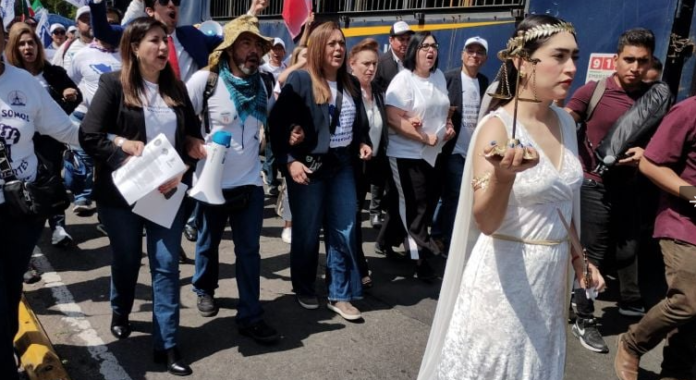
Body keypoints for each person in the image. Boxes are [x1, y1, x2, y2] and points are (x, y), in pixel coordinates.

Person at [418, 15, 605, 380]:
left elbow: (560, 202)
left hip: (549, 279)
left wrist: (580, 258)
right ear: (522, 62)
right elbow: (485, 221)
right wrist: (503, 178)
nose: (571, 68)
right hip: (502, 277)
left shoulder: (566, 122)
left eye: (575, 57)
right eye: (559, 56)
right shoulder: (496, 127)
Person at [79, 17, 202, 376]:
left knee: (166, 266)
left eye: (165, 40)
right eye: (154, 40)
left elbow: (191, 136)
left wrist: (191, 152)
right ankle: (121, 308)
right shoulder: (113, 85)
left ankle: (167, 344)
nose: (163, 47)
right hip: (123, 196)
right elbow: (90, 135)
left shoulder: (176, 89)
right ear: (134, 47)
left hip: (166, 193)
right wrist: (121, 146)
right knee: (127, 259)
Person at [184, 15, 279, 343]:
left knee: (249, 251)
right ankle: (204, 288)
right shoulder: (205, 81)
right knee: (208, 244)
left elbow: (272, 122)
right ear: (229, 49)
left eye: (257, 45)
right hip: (212, 184)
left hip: (250, 184)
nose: (253, 51)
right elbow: (180, 120)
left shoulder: (265, 84)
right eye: (246, 43)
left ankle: (250, 315)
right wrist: (192, 142)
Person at [269, 22, 372, 320]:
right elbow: (276, 124)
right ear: (317, 48)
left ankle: (339, 294)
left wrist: (362, 143)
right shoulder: (301, 80)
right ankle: (304, 285)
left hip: (342, 164)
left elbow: (359, 124)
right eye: (332, 44)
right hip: (309, 165)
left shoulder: (350, 83)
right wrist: (290, 159)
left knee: (345, 227)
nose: (339, 49)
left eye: (341, 43)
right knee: (307, 230)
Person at [565, 28, 656, 353]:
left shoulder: (653, 97)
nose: (634, 67)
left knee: (628, 252)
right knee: (594, 254)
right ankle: (584, 317)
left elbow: (661, 141)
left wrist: (648, 153)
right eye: (628, 59)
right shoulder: (595, 90)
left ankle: (571, 291)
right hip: (593, 184)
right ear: (616, 60)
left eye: (641, 61)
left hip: (629, 189)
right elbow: (564, 120)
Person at [0, 14, 81, 380]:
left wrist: (117, 144)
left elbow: (65, 130)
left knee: (8, 287)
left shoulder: (24, 84)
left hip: (20, 210)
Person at [614, 96, 696, 380]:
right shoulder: (689, 110)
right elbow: (650, 163)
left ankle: (676, 371)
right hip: (684, 223)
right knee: (688, 300)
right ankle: (633, 342)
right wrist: (693, 195)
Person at [375, 31, 455, 279]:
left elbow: (444, 109)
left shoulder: (439, 77)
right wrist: (422, 137)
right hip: (406, 153)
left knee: (423, 204)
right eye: (425, 46)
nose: (431, 51)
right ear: (414, 51)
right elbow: (392, 118)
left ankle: (385, 240)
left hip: (434, 153)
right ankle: (424, 258)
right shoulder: (403, 80)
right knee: (415, 207)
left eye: (434, 46)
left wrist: (449, 124)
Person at [4, 22, 82, 247]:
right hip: (19, 143)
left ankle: (58, 226)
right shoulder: (9, 76)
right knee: (21, 187)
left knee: (51, 181)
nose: (28, 48)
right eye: (21, 44)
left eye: (31, 43)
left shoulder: (53, 72)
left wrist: (70, 96)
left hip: (48, 141)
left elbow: (63, 110)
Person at [436, 36, 489, 253]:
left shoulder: (485, 83)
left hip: (474, 151)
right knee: (454, 194)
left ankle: (443, 234)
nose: (474, 55)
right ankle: (445, 239)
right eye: (470, 50)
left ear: (484, 58)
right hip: (452, 150)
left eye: (479, 52)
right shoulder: (448, 79)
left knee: (463, 196)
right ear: (462, 54)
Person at [349, 38, 389, 289]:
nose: (370, 68)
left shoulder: (378, 92)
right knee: (353, 216)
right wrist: (358, 145)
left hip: (374, 163)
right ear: (351, 64)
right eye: (365, 64)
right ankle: (358, 266)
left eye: (374, 64)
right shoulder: (347, 92)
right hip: (351, 164)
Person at [370, 20, 415, 228]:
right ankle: (374, 209)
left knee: (392, 174)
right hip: (385, 123)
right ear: (391, 40)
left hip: (404, 124)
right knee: (380, 168)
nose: (405, 43)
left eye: (407, 39)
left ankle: (390, 212)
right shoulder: (381, 62)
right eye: (401, 39)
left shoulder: (411, 63)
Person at [52, 6, 93, 73]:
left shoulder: (107, 46)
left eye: (92, 19)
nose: (89, 22)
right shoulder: (67, 47)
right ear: (77, 24)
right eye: (85, 19)